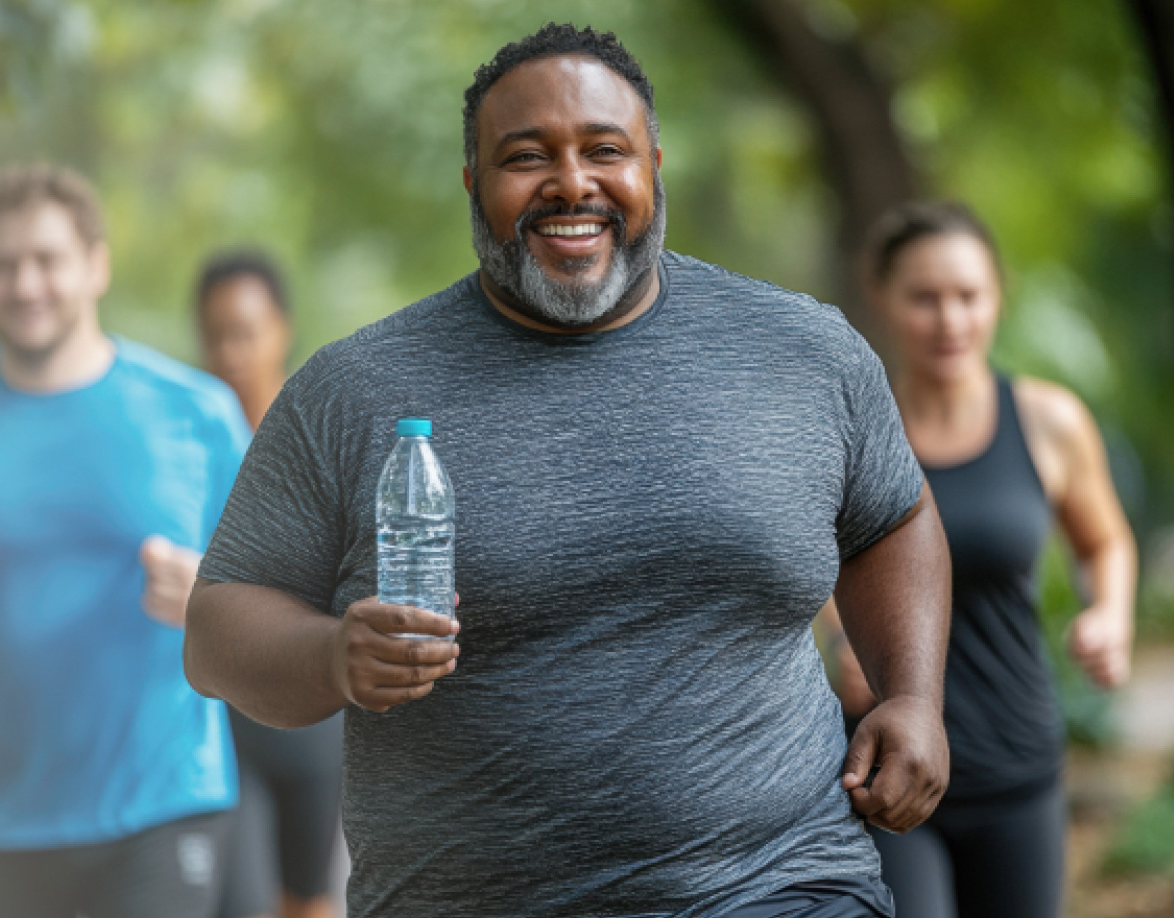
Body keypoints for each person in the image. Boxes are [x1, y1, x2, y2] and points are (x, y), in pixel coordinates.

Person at [184, 24, 953, 918]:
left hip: (781, 882)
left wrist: (913, 696)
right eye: (525, 157)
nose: (572, 183)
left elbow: (892, 518)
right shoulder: (354, 392)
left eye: (604, 150)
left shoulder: (803, 352)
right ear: (472, 182)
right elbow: (215, 627)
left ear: (654, 165)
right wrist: (332, 657)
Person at [824, 201, 1137, 918]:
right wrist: (843, 638)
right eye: (925, 298)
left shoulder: (1049, 421)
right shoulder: (853, 432)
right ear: (882, 297)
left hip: (1015, 762)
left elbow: (1105, 542)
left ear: (998, 296)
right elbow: (816, 561)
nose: (950, 320)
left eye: (969, 296)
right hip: (889, 769)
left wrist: (1112, 614)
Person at [0, 164, 250, 916]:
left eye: (47, 260)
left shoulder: (194, 413)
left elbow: (284, 591)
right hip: (0, 818)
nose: (26, 284)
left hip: (160, 800)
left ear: (95, 265)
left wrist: (212, 594)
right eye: (2, 265)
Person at [195, 249, 345, 918]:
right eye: (215, 336)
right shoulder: (192, 440)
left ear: (282, 328)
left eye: (245, 333)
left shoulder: (322, 431)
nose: (230, 353)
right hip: (224, 722)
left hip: (313, 718)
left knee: (308, 900)